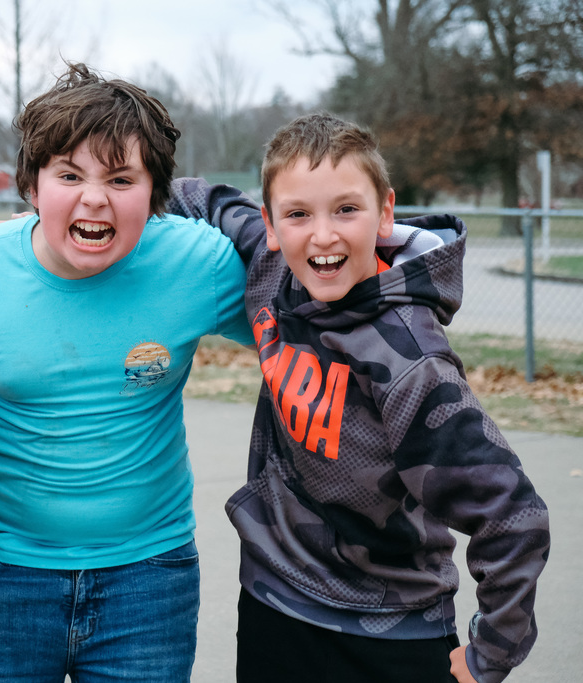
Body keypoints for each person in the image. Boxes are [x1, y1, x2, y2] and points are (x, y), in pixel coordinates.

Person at [0, 62, 252, 682]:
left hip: (150, 578)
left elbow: (310, 328)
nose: (94, 198)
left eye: (121, 178)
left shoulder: (204, 266)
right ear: (33, 187)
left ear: (155, 191)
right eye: (69, 175)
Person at [166, 112, 550, 683]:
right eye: (298, 214)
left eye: (346, 209)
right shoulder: (275, 266)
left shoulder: (412, 361)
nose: (322, 235)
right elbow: (204, 197)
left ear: (385, 213)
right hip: (276, 606)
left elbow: (515, 519)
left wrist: (488, 654)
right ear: (271, 225)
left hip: (391, 629)